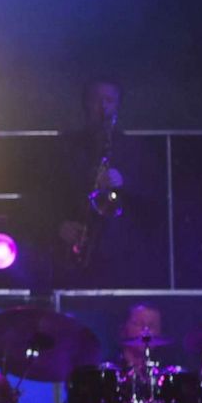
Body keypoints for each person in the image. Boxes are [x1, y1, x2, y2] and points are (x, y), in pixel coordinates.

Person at [44, 79, 166, 288]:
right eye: (97, 100)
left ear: (117, 105)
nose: (103, 107)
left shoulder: (133, 148)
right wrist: (59, 225)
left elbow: (154, 197)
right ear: (86, 105)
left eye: (109, 101)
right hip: (75, 247)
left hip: (120, 252)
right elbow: (45, 194)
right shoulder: (66, 146)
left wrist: (124, 180)